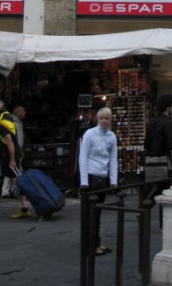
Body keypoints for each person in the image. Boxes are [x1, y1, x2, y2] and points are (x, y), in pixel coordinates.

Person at [78, 106, 118, 256]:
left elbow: (113, 159)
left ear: (110, 120)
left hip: (102, 177)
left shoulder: (112, 136)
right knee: (91, 213)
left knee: (98, 212)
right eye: (101, 118)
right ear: (97, 119)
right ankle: (91, 245)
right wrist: (84, 182)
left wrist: (113, 180)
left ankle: (96, 242)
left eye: (107, 118)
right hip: (91, 176)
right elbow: (83, 156)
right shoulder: (89, 134)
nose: (104, 121)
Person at [0, 100, 32, 219]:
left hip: (9, 156)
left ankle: (27, 205)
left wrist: (12, 160)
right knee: (15, 181)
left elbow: (10, 142)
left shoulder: (1, 124)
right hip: (9, 154)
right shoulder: (4, 121)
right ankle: (24, 208)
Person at [143, 94, 172, 181]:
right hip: (163, 163)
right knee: (164, 186)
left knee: (152, 186)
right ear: (167, 107)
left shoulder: (152, 122)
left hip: (150, 164)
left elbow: (146, 143)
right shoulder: (168, 123)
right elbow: (171, 144)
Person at [1, 106, 26, 198]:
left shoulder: (19, 122)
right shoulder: (14, 122)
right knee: (12, 170)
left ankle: (8, 191)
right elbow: (14, 138)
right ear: (18, 113)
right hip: (13, 149)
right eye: (23, 111)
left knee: (14, 170)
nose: (25, 113)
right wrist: (18, 149)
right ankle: (8, 191)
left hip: (16, 149)